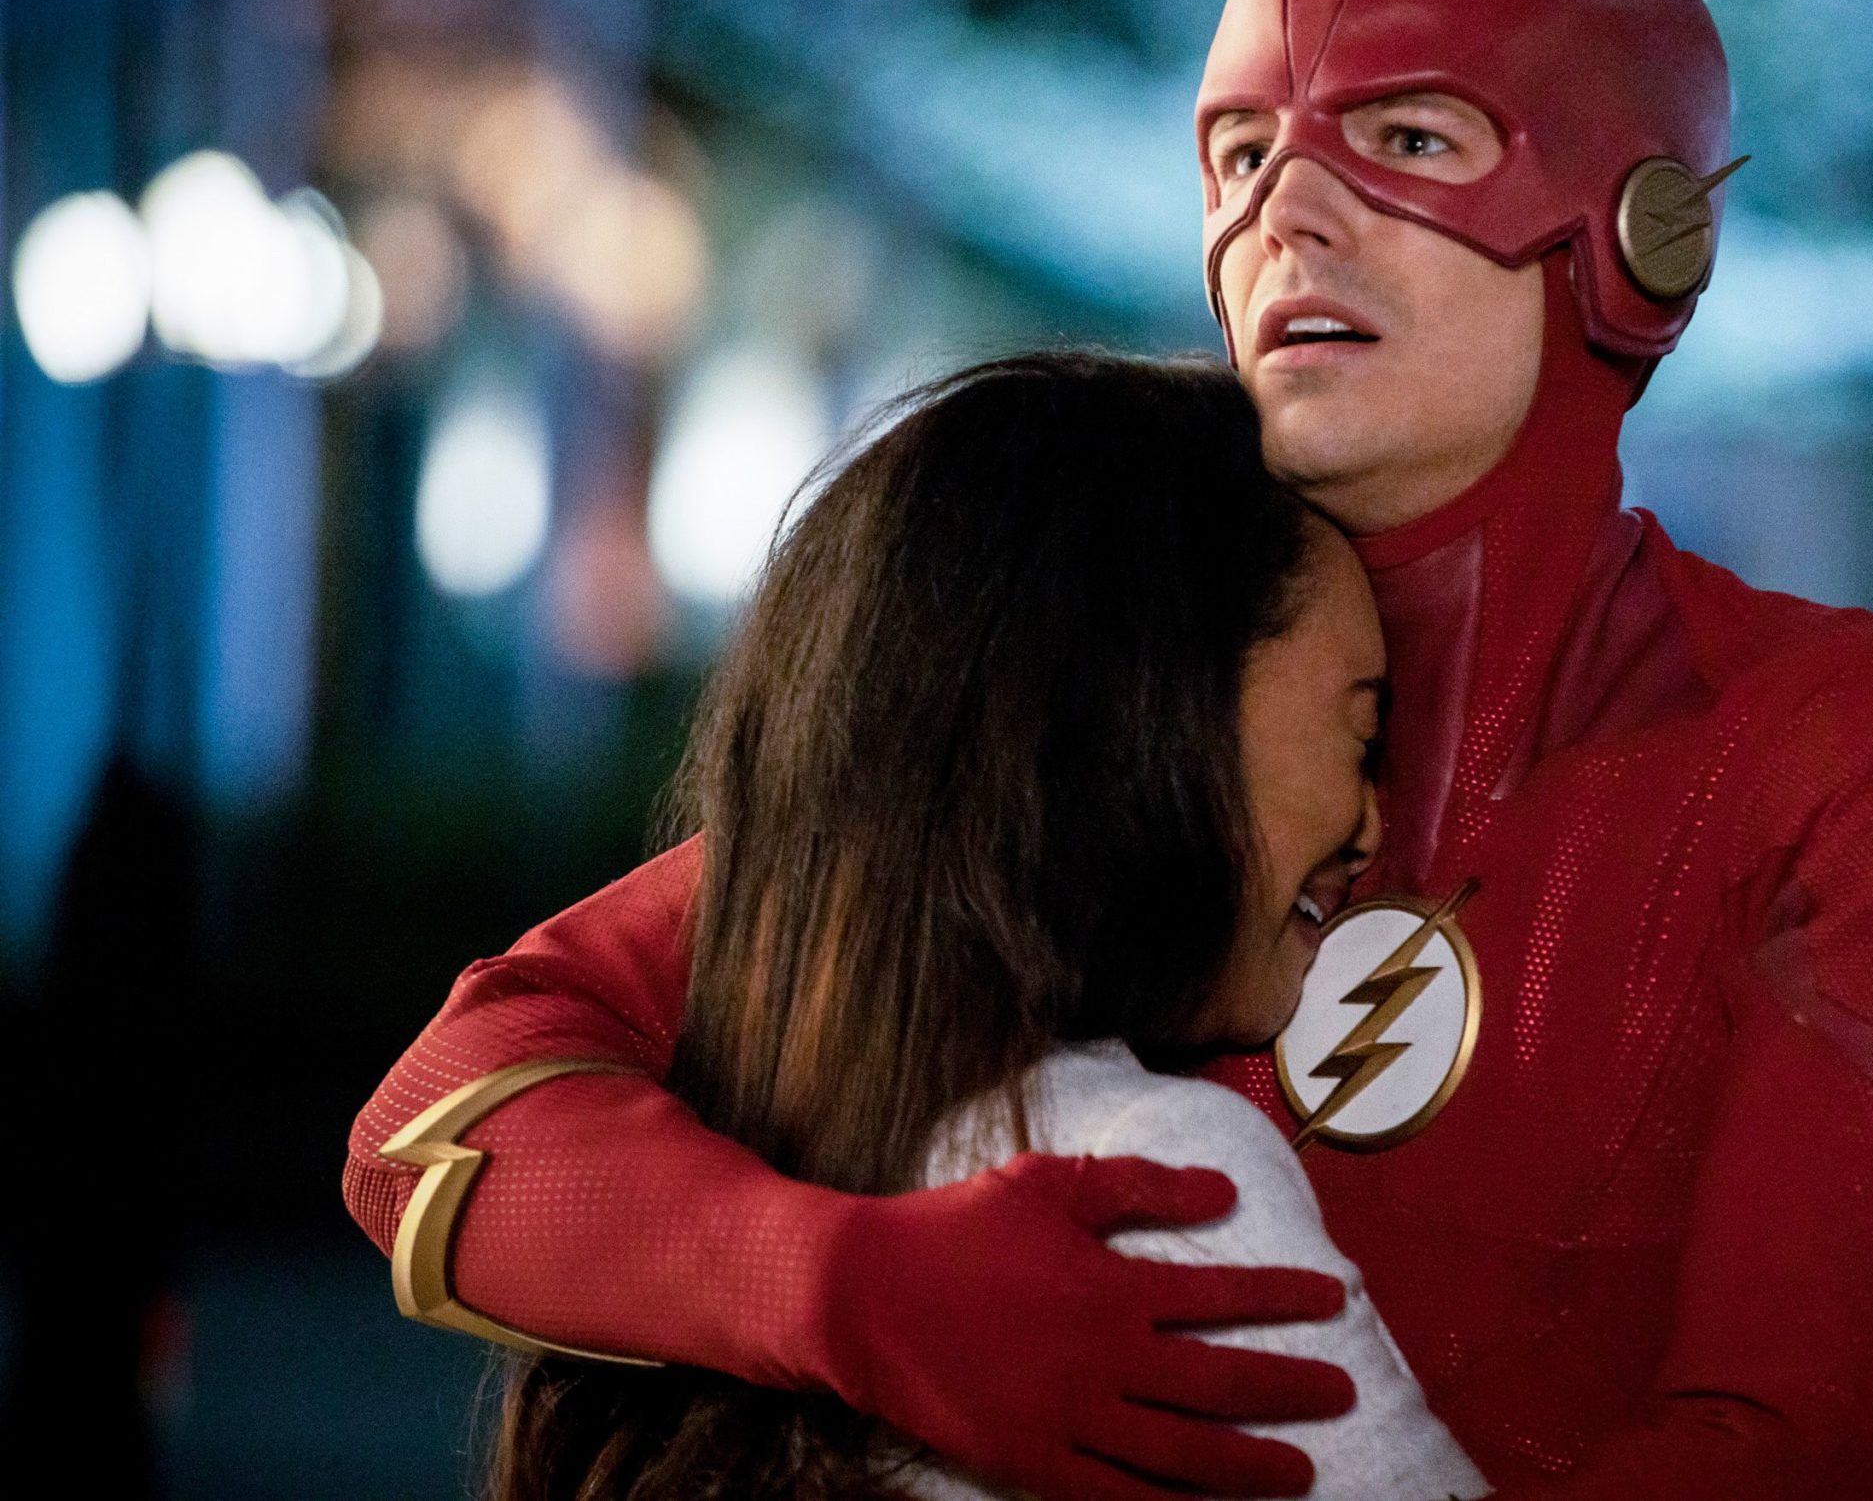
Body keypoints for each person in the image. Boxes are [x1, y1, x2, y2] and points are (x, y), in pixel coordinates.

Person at [347, 0, 1873, 1501]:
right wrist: (841, 1283)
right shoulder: (1082, 689)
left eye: (1411, 138)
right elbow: (440, 1124)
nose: (1284, 215)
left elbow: (1805, 1453)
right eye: (1242, 150)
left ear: (1643, 233)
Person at [482, 351, 1485, 1500]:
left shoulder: (688, 1137)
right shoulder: (1150, 1176)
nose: (1373, 827)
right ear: (1159, 714)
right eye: (1360, 736)